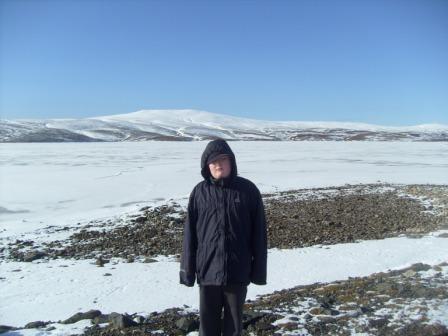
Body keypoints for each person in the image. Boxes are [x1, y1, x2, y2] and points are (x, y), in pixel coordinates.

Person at [180, 139, 267, 336]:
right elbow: (190, 236)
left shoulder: (248, 190)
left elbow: (259, 235)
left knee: (234, 328)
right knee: (208, 327)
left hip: (237, 272)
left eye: (223, 159)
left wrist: (259, 271)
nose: (218, 164)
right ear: (206, 166)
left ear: (231, 162)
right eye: (213, 161)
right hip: (207, 272)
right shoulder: (199, 193)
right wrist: (187, 270)